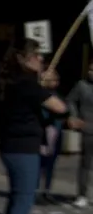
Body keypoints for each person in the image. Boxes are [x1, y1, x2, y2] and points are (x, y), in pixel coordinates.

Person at [0, 41, 79, 214]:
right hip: (23, 148)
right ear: (24, 59)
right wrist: (44, 86)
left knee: (17, 199)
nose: (41, 60)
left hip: (12, 145)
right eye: (37, 57)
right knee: (23, 199)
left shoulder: (14, 83)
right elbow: (60, 107)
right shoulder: (26, 84)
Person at [66, 62, 92, 207]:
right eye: (90, 69)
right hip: (87, 127)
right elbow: (70, 100)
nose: (91, 72)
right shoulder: (82, 85)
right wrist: (74, 116)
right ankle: (82, 194)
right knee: (85, 164)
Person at [38, 69, 65, 204]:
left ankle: (46, 190)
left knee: (50, 163)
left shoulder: (57, 95)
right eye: (52, 79)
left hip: (56, 131)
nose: (55, 82)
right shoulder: (42, 95)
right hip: (45, 131)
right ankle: (37, 190)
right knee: (41, 162)